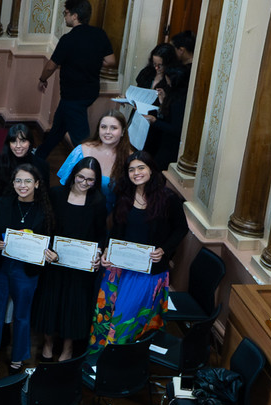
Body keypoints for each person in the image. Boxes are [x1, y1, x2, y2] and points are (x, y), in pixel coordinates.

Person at [92, 150, 185, 347]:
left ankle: (118, 363)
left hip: (148, 272)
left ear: (151, 170)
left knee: (124, 319)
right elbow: (116, 229)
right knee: (105, 315)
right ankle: (98, 363)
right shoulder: (124, 196)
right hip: (119, 267)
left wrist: (164, 250)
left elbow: (181, 228)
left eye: (141, 168)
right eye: (131, 169)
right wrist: (108, 250)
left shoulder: (168, 198)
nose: (136, 173)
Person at [37, 156, 108, 362]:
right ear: (73, 175)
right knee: (51, 302)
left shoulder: (98, 201)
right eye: (81, 177)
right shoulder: (57, 194)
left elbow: (101, 232)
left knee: (73, 305)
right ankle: (48, 343)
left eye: (90, 180)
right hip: (55, 260)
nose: (84, 183)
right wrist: (47, 248)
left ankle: (68, 348)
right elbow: (46, 224)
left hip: (81, 265)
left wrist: (99, 252)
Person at [0, 164, 56, 370]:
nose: (22, 185)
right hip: (1, 266)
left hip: (27, 270)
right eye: (18, 180)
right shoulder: (3, 203)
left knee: (21, 315)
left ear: (37, 184)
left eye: (28, 181)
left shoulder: (44, 209)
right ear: (13, 183)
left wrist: (51, 253)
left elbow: (50, 239)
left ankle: (17, 357)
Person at [38, 0, 116, 160]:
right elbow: (110, 60)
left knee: (81, 139)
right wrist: (91, 61)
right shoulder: (99, 34)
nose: (65, 16)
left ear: (75, 16)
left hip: (73, 94)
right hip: (90, 91)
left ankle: (89, 164)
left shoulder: (68, 39)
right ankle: (40, 154)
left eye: (66, 13)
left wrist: (42, 79)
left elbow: (51, 65)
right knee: (59, 127)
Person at [58, 110, 128, 199]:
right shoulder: (81, 150)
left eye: (113, 128)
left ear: (123, 131)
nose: (107, 131)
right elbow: (65, 185)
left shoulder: (128, 157)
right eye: (103, 127)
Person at [0, 121, 47, 211]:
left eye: (23, 141)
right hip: (1, 209)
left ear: (30, 143)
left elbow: (44, 194)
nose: (18, 146)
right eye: (13, 141)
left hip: (29, 210)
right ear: (8, 143)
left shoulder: (41, 165)